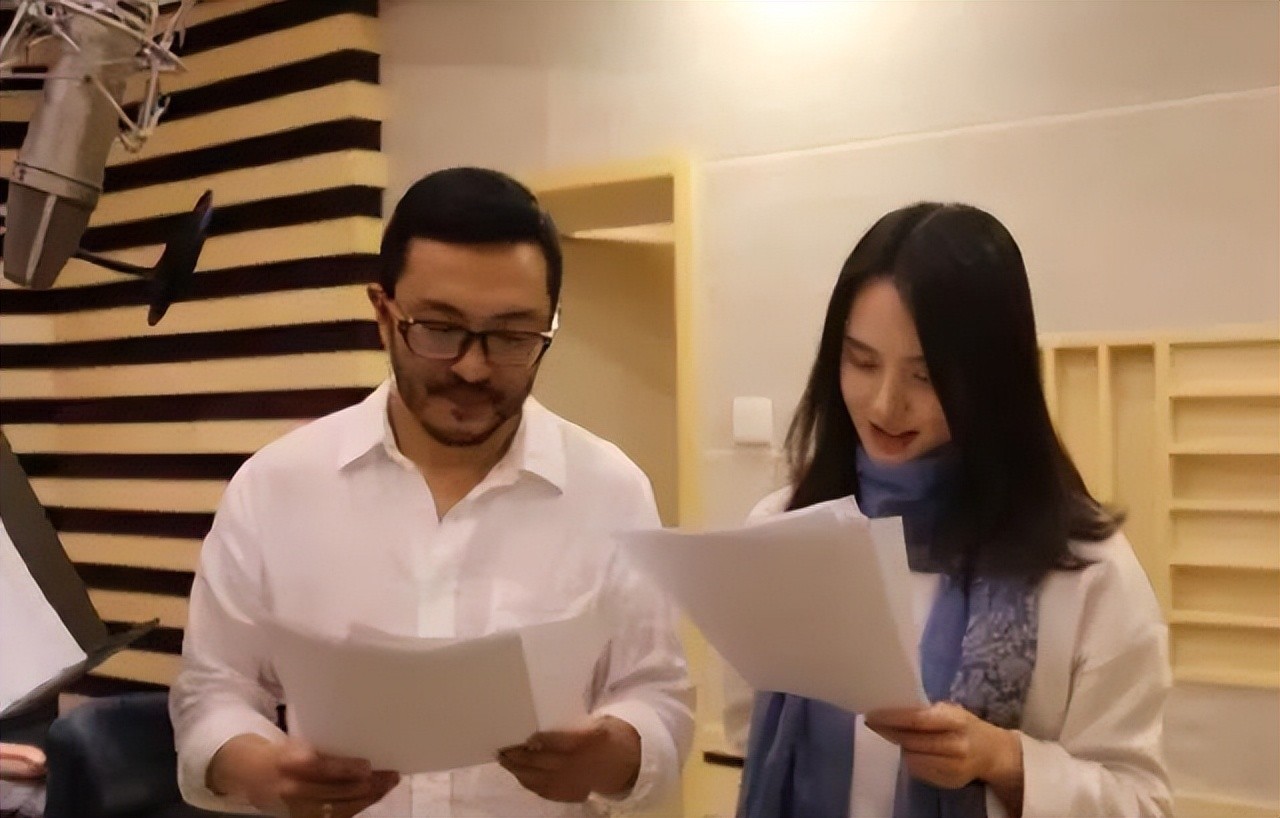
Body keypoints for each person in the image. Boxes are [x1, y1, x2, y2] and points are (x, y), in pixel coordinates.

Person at [170, 167, 694, 818]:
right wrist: (260, 769)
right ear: (383, 313)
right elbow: (213, 688)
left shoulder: (610, 491)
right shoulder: (276, 485)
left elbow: (657, 692)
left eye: (512, 337)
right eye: (439, 330)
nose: (472, 367)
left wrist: (613, 751)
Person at [731, 203, 1172, 818]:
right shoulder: (783, 530)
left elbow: (1143, 803)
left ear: (992, 382)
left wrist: (1006, 761)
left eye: (925, 376)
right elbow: (743, 727)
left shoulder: (1084, 568)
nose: (885, 405)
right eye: (862, 362)